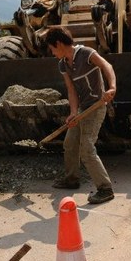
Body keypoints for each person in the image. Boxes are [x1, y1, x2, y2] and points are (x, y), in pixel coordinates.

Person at [44, 27, 116, 204]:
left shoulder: (86, 53)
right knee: (70, 142)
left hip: (97, 107)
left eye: (52, 49)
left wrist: (112, 87)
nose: (52, 53)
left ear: (59, 44)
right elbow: (71, 90)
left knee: (86, 148)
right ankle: (71, 179)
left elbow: (107, 66)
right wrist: (73, 113)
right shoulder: (63, 64)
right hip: (83, 109)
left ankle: (105, 188)